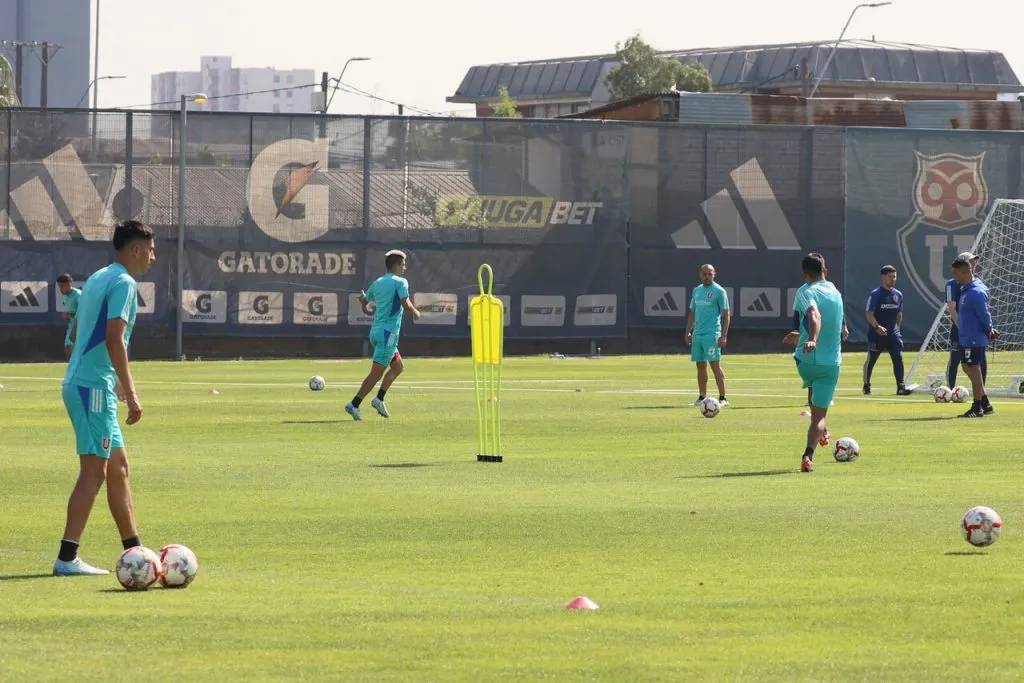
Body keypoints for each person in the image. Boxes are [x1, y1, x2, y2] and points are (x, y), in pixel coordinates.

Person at [54, 220, 155, 576]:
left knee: (118, 468)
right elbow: (114, 340)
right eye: (150, 250)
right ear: (135, 249)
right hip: (92, 389)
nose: (153, 257)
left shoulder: (99, 276)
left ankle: (135, 551)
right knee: (94, 471)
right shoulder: (124, 283)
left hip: (91, 385)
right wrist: (131, 392)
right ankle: (67, 558)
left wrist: (112, 382)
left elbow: (86, 332)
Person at [784, 254, 847, 473]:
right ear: (825, 271)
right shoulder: (836, 292)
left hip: (806, 360)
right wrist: (811, 336)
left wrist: (809, 338)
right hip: (831, 364)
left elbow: (813, 314)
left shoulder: (805, 291)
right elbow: (820, 318)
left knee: (813, 389)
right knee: (819, 415)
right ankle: (808, 456)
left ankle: (823, 431)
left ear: (805, 275)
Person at [346, 250, 421, 420]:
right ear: (396, 265)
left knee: (398, 367)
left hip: (376, 332)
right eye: (403, 264)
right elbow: (405, 303)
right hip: (388, 334)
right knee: (376, 373)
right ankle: (354, 404)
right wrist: (415, 312)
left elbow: (365, 304)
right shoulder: (400, 282)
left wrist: (362, 299)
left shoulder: (377, 282)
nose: (405, 268)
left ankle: (379, 399)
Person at [951, 257, 998, 417]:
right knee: (967, 367)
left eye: (956, 274)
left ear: (964, 273)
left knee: (974, 369)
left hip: (974, 337)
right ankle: (985, 402)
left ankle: (977, 407)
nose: (954, 277)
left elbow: (984, 314)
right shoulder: (966, 289)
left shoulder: (976, 292)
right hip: (966, 336)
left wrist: (989, 329)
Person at [685, 264, 731, 407]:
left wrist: (723, 335)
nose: (707, 276)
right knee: (700, 365)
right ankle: (701, 397)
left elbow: (726, 314)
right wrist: (688, 331)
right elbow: (692, 312)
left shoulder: (719, 291)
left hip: (712, 334)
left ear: (714, 274)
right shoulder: (696, 291)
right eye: (704, 274)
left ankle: (723, 398)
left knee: (714, 364)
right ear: (700, 274)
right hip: (697, 334)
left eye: (709, 274)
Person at [863, 265, 912, 396]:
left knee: (898, 358)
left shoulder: (898, 295)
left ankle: (900, 387)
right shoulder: (875, 294)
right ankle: (866, 385)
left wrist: (896, 329)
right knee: (871, 360)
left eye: (894, 276)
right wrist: (877, 327)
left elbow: (899, 314)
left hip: (893, 335)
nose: (893, 279)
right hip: (876, 334)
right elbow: (869, 314)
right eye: (890, 276)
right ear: (883, 277)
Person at [945, 251, 987, 388]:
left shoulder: (977, 283)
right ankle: (950, 388)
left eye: (975, 261)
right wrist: (961, 327)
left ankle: (981, 391)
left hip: (974, 330)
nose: (974, 263)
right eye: (971, 261)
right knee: (956, 359)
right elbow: (952, 308)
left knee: (980, 360)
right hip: (959, 328)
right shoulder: (952, 284)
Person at [56, 274, 82, 361]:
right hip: (71, 326)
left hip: (80, 327)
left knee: (73, 353)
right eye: (59, 286)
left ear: (69, 284)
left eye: (62, 286)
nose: (60, 289)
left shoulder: (78, 295)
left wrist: (70, 314)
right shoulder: (65, 295)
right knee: (67, 351)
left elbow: (84, 312)